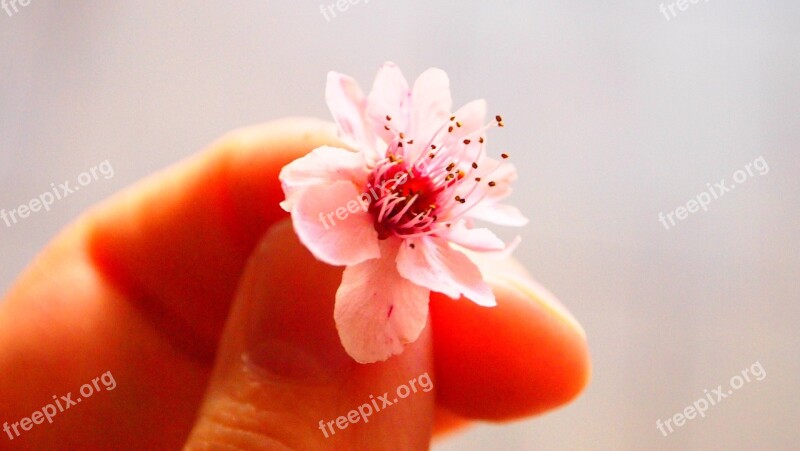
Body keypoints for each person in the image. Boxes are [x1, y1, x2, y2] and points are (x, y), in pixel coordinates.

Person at [0, 118, 590, 450]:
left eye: (421, 199)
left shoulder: (407, 243)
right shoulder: (347, 193)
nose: (414, 192)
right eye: (404, 187)